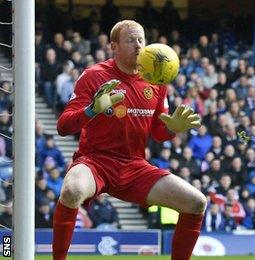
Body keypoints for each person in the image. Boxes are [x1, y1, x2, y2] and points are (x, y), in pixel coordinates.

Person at [54, 20, 205, 260]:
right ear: (113, 46)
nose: (138, 45)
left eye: (141, 40)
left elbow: (158, 132)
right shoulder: (94, 76)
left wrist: (173, 129)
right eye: (130, 40)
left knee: (196, 202)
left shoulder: (156, 81)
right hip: (95, 161)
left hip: (134, 166)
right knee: (72, 191)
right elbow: (63, 126)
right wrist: (92, 110)